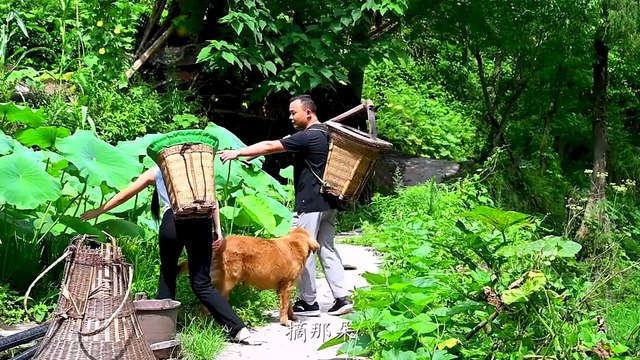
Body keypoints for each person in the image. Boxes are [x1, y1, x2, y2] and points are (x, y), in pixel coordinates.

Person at [79, 164, 261, 345]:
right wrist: (218, 230)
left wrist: (98, 211)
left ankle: (162, 332)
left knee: (168, 273)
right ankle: (240, 330)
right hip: (201, 223)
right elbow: (212, 200)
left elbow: (124, 195)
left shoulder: (157, 169)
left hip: (172, 222)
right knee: (202, 283)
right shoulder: (199, 166)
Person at [219, 94, 353, 316]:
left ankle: (308, 302)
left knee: (300, 250)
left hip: (310, 203)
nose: (290, 116)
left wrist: (238, 153)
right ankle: (342, 298)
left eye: (294, 112)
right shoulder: (327, 134)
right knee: (327, 247)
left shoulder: (308, 136)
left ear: (308, 113)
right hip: (329, 201)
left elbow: (270, 146)